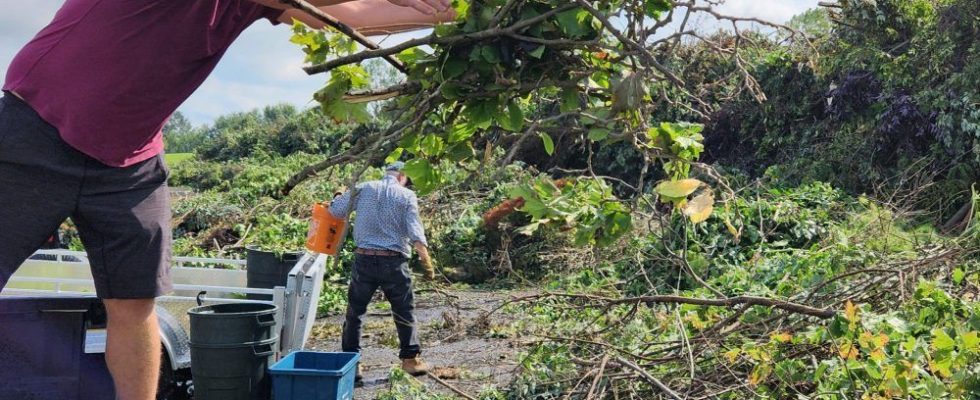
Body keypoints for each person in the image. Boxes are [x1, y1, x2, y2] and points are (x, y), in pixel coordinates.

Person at [0, 1, 452, 399]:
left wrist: (455, 10)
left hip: (130, 160)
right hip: (37, 125)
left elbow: (345, 15)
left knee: (135, 302)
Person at [329, 162, 436, 379]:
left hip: (364, 260)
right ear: (402, 176)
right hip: (393, 262)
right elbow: (415, 232)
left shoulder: (364, 187)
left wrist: (340, 194)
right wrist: (427, 262)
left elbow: (335, 211)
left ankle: (352, 364)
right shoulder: (406, 196)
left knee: (355, 312)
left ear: (386, 174)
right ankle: (410, 360)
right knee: (403, 310)